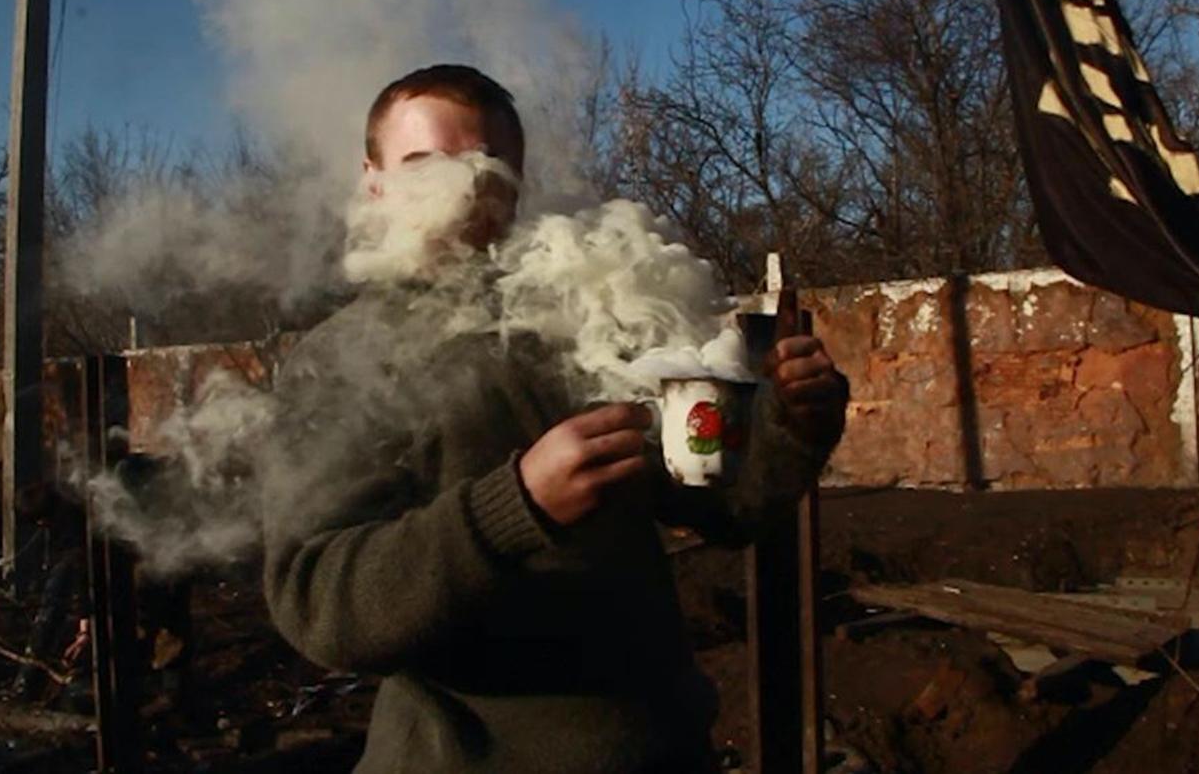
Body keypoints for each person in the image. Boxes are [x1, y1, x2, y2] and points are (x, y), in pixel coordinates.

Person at [260, 64, 848, 773]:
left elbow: (723, 503)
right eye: (423, 166)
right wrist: (516, 507)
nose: (460, 190)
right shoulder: (342, 361)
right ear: (373, 179)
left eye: (488, 167)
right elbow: (318, 602)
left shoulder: (587, 312)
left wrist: (789, 425)